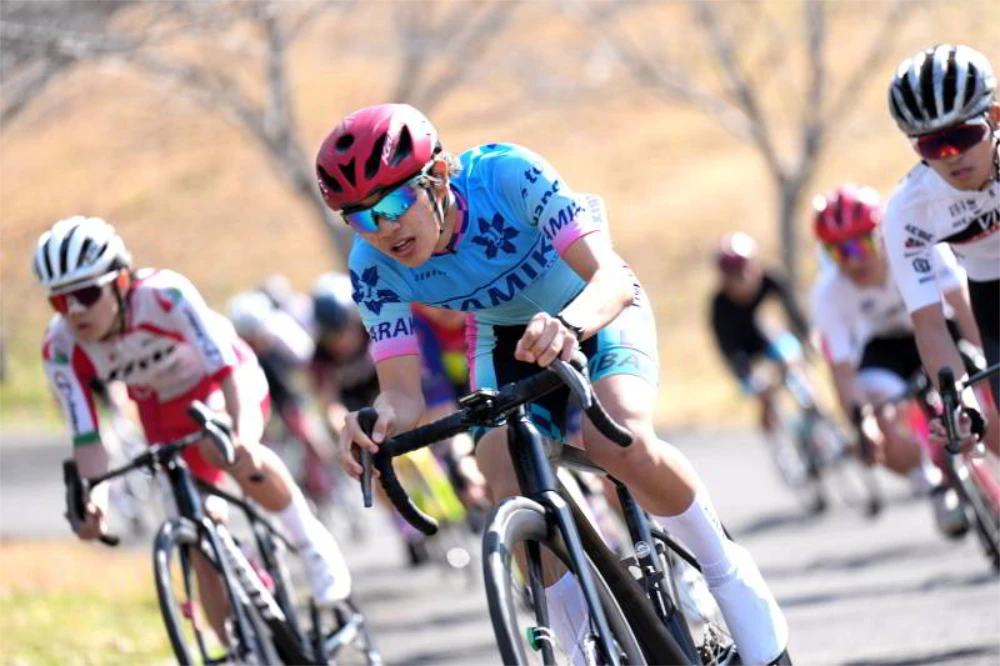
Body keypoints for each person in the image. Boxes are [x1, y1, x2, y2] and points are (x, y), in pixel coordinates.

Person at [319, 103, 790, 666]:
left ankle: (725, 571)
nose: (383, 228)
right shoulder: (372, 266)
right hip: (503, 336)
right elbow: (402, 392)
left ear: (438, 176)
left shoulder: (505, 176)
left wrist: (570, 324)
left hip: (592, 307)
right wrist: (377, 420)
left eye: (393, 204)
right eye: (360, 218)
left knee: (619, 441)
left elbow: (611, 279)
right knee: (503, 473)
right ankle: (585, 645)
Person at [35, 216, 352, 641]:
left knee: (223, 447)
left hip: (223, 382)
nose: (74, 310)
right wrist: (95, 500)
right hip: (161, 409)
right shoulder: (60, 345)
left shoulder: (165, 295)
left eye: (86, 293)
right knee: (195, 534)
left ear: (121, 281)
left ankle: (313, 544)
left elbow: (228, 374)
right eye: (60, 301)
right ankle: (238, 648)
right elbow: (87, 438)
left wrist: (241, 439)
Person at [809, 183, 980, 535]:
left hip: (939, 328)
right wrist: (862, 426)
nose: (853, 260)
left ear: (881, 234)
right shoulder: (828, 293)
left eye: (860, 244)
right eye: (839, 251)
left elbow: (964, 310)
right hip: (885, 349)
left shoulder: (918, 246)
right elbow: (842, 371)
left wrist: (982, 361)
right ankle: (931, 480)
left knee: (981, 388)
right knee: (877, 419)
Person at [884, 43, 1000, 454]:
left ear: (994, 117)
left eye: (963, 136)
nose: (952, 156)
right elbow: (930, 324)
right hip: (993, 296)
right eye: (933, 146)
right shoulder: (908, 211)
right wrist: (961, 407)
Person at [709, 232, 814, 435]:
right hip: (740, 351)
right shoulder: (719, 305)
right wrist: (747, 376)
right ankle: (774, 433)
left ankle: (813, 408)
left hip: (764, 337)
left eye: (745, 270)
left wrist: (806, 337)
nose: (743, 280)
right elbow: (727, 348)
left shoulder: (770, 279)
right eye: (734, 275)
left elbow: (793, 311)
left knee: (793, 360)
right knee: (762, 391)